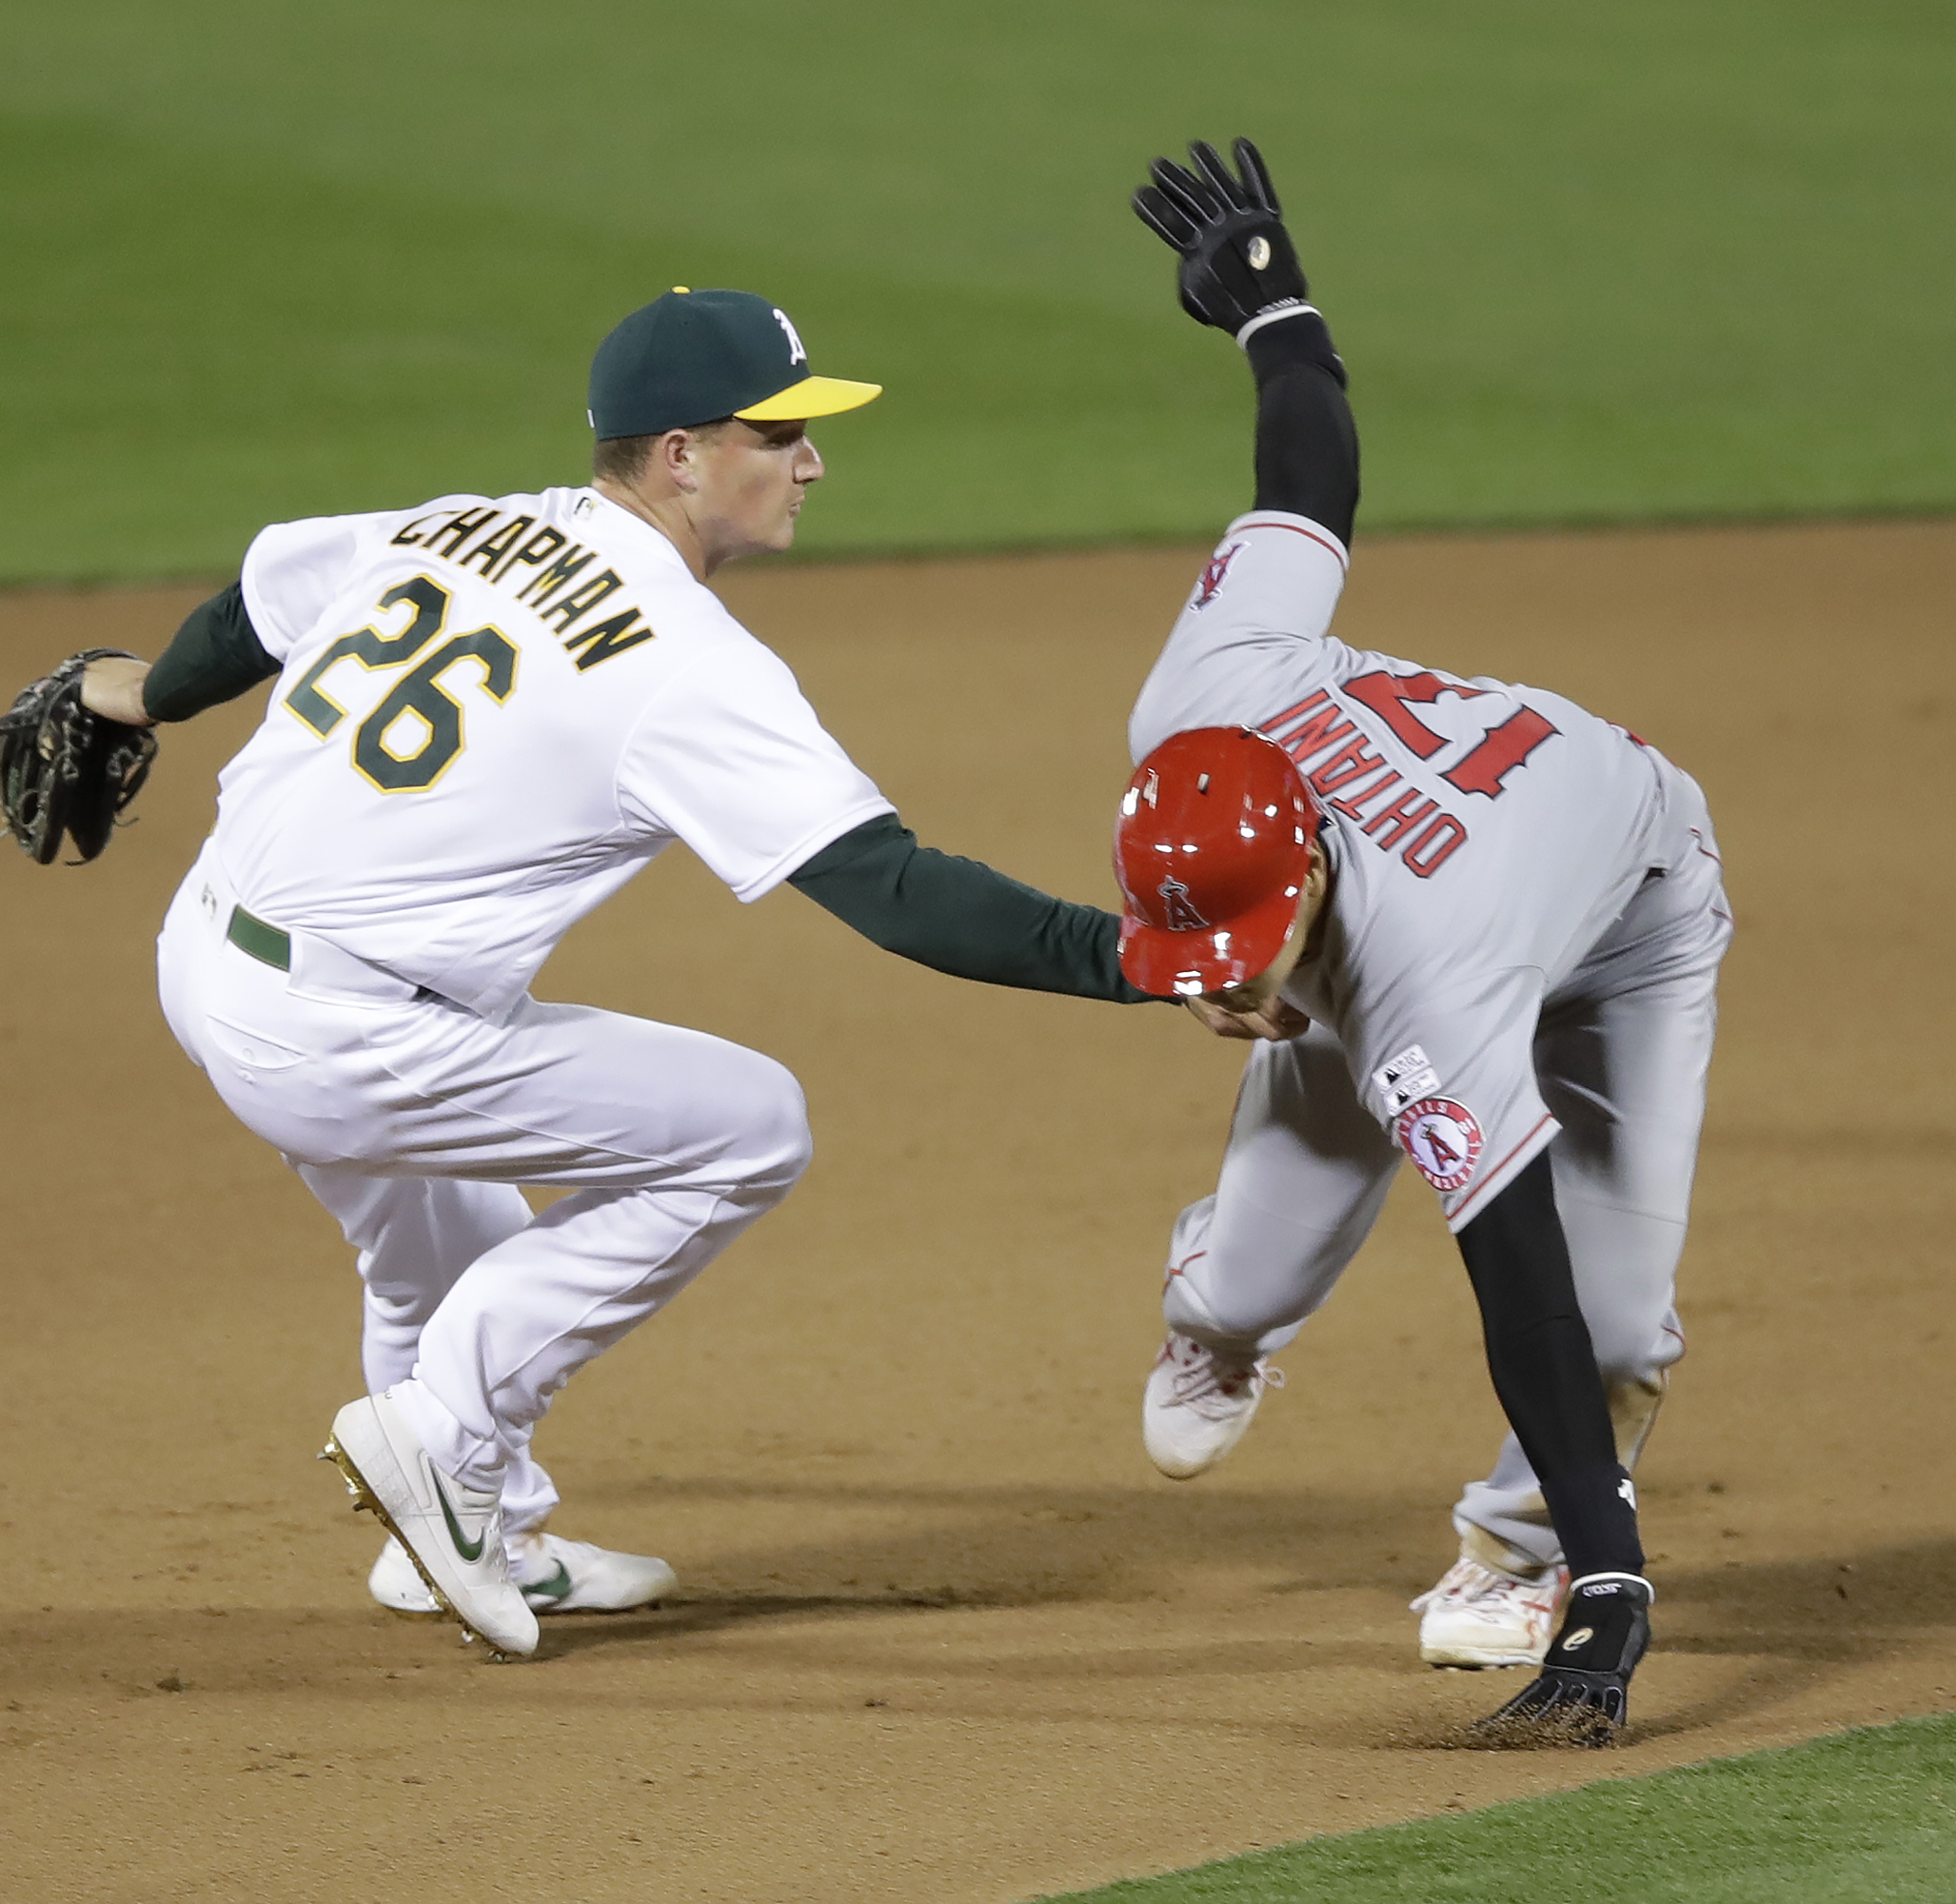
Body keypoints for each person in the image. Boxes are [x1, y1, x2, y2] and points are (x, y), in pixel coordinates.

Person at [81, 288, 1164, 1656]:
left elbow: (254, 604)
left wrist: (146, 698)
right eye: (779, 433)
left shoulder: (463, 521)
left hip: (209, 954)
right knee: (748, 1125)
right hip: (345, 1032)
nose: (813, 462)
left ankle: (472, 1536)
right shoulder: (683, 659)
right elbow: (896, 894)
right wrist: (1144, 963)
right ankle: (435, 1437)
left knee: (441, 1238)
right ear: (680, 456)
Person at [1114, 142, 1732, 1746]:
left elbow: (1511, 1275)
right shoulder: (1204, 696)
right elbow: (1306, 483)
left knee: (1613, 1320)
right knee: (1247, 1282)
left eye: (1254, 946)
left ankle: (1520, 1555)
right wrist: (1273, 308)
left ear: (1309, 867)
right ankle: (1219, 1324)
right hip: (1447, 888)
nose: (1235, 978)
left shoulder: (1421, 981)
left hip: (1633, 912)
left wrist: (1617, 1577)